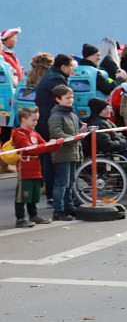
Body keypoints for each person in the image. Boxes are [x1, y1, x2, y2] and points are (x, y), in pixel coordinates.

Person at [33, 53, 75, 199]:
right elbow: (63, 101)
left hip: (45, 121)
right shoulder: (56, 79)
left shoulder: (51, 75)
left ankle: (52, 192)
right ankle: (54, 195)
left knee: (48, 159)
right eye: (71, 67)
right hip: (50, 122)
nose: (72, 71)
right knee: (53, 160)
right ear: (63, 67)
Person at [10, 107, 61, 227]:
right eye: (33, 120)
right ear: (24, 119)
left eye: (36, 120)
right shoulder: (19, 134)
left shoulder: (34, 133)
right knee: (23, 195)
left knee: (34, 194)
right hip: (25, 169)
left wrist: (56, 144)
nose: (36, 123)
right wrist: (46, 146)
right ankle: (21, 218)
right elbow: (32, 150)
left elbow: (45, 146)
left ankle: (33, 215)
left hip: (36, 168)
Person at [48, 85, 86, 221]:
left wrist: (80, 132)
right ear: (58, 99)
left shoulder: (72, 114)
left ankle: (69, 207)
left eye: (72, 97)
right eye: (67, 98)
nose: (71, 100)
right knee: (62, 183)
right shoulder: (56, 116)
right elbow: (56, 133)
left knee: (70, 182)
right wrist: (74, 138)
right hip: (62, 153)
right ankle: (59, 210)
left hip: (72, 152)